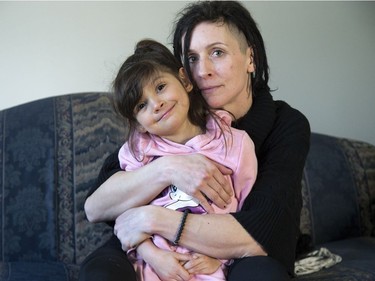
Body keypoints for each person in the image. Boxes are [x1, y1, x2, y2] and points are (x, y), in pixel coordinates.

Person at [80, 1, 311, 281]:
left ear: (251, 58)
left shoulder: (285, 125)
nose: (203, 71)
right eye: (192, 58)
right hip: (146, 246)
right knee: (101, 273)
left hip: (230, 251)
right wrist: (169, 169)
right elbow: (96, 208)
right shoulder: (168, 118)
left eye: (217, 52)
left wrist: (152, 219)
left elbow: (261, 233)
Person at [111, 38, 257, 281]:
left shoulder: (234, 143)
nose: (156, 104)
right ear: (139, 124)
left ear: (185, 80)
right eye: (142, 105)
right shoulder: (137, 152)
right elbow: (128, 220)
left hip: (209, 264)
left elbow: (247, 213)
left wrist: (221, 258)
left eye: (160, 87)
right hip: (154, 266)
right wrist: (153, 257)